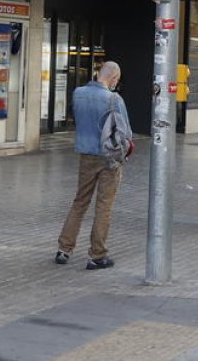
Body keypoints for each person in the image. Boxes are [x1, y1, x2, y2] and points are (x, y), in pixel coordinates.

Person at [56, 61, 128, 270]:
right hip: (109, 157)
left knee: (80, 201)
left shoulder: (78, 93)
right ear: (114, 78)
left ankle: (64, 248)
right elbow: (125, 132)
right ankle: (97, 254)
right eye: (116, 80)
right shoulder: (114, 99)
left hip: (86, 155)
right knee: (104, 206)